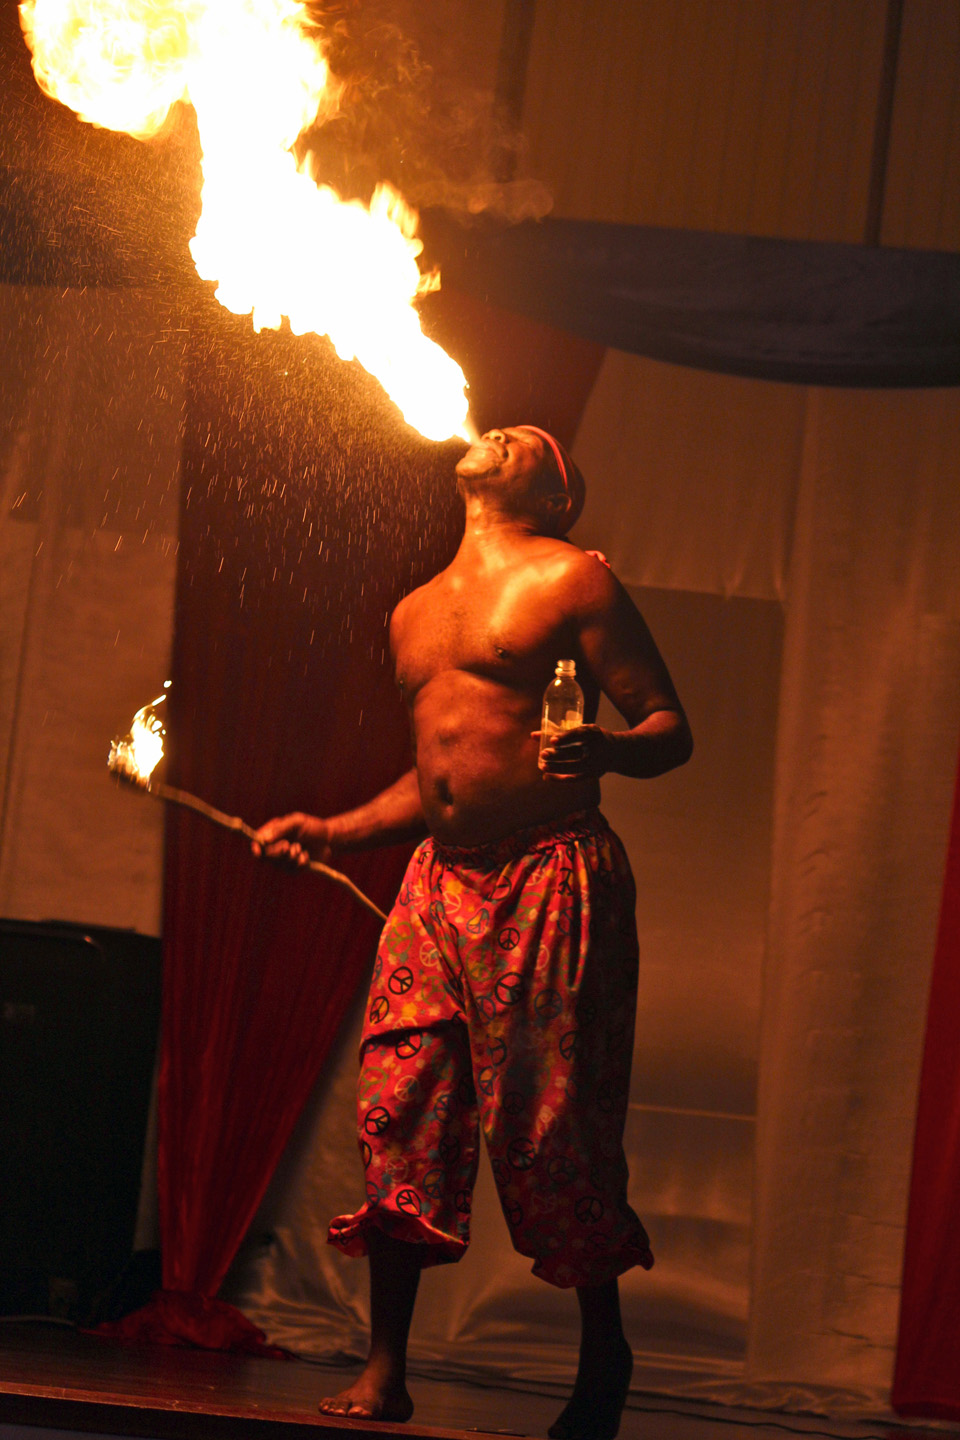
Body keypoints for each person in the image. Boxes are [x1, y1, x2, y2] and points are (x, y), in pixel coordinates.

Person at [253, 426, 692, 1439]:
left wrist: (608, 750)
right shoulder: (413, 610)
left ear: (558, 494)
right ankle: (385, 1368)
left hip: (550, 872)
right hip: (438, 883)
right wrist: (333, 829)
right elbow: (441, 771)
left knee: (553, 1127)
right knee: (400, 1105)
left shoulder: (573, 578)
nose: (503, 432)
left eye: (532, 439)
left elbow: (671, 728)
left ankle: (604, 1351)